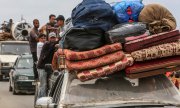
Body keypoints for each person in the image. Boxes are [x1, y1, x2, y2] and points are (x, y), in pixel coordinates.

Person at [37, 32, 59, 98]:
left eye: (54, 38)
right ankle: (41, 101)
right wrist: (57, 42)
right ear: (49, 38)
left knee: (52, 83)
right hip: (42, 67)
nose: (53, 39)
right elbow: (51, 47)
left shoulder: (55, 46)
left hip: (50, 67)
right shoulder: (47, 44)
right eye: (51, 37)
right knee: (43, 85)